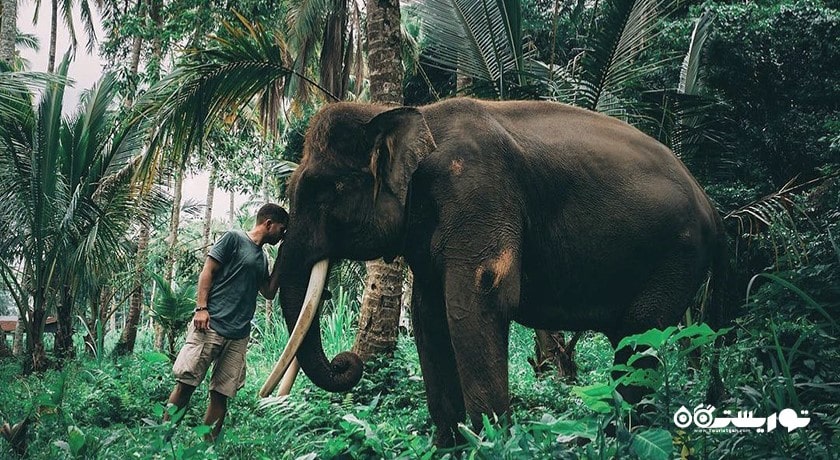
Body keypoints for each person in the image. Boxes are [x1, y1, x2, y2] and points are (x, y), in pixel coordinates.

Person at [165, 203, 288, 441]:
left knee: (221, 394)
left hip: (238, 334)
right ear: (268, 224)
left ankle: (207, 449)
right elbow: (207, 271)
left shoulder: (263, 258)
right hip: (210, 325)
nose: (282, 235)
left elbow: (269, 292)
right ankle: (163, 440)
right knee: (186, 385)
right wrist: (201, 308)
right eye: (282, 230)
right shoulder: (234, 239)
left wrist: (284, 256)